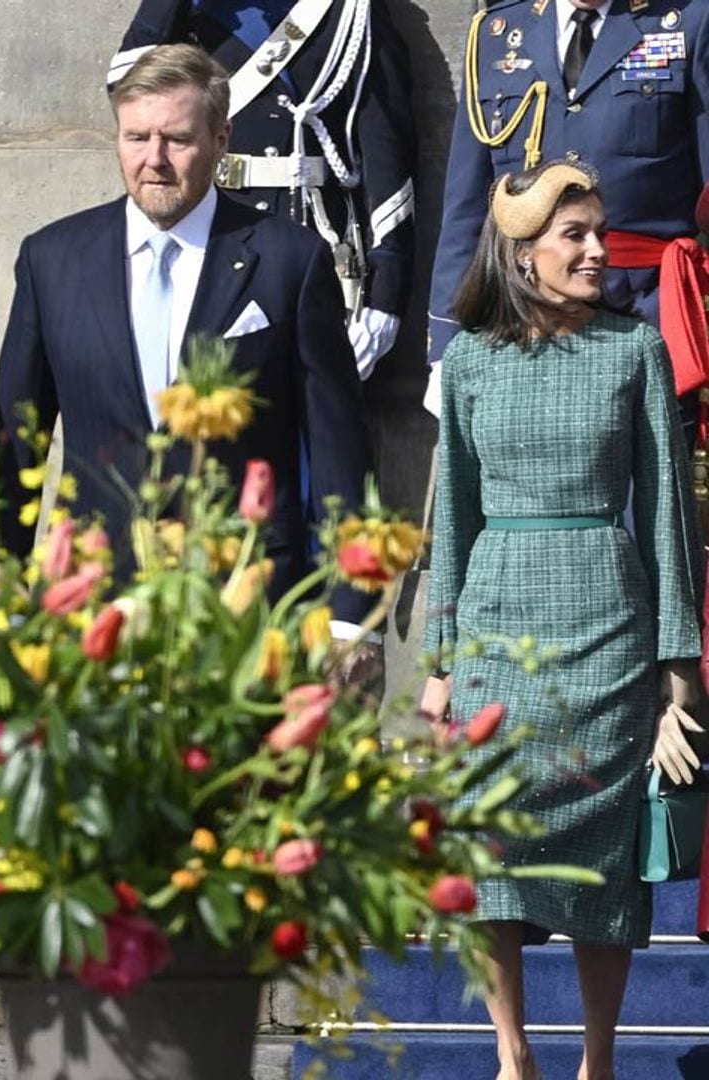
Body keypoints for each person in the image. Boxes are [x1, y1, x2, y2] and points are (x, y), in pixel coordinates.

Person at [421, 160, 703, 1080]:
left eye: (597, 230)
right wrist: (439, 661)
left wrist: (680, 675)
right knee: (491, 841)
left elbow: (669, 520)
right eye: (573, 234)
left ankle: (598, 1062)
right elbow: (452, 518)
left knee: (603, 861)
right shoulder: (466, 358)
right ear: (521, 250)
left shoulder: (635, 351)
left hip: (607, 630)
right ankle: (513, 1058)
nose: (595, 248)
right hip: (499, 628)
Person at [0, 43, 375, 633]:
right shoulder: (51, 259)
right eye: (136, 138)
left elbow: (337, 448)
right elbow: (17, 441)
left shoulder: (288, 261)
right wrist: (0, 595)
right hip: (91, 604)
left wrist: (348, 617)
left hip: (246, 605)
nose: (155, 160)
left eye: (177, 139)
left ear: (221, 140)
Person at [426, 0, 709, 415]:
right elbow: (466, 208)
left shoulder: (688, 21)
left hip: (644, 315)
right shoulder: (496, 32)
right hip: (521, 321)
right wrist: (446, 342)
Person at [109, 0, 416, 381]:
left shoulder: (346, 12)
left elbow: (386, 155)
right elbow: (127, 88)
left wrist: (384, 295)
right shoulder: (186, 14)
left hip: (308, 245)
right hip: (207, 243)